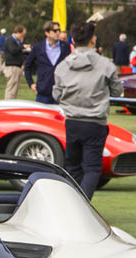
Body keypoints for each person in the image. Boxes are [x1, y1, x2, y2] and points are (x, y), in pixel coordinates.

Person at [52, 22, 122, 200]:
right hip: (95, 121)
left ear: (73, 40)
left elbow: (56, 94)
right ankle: (82, 206)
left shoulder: (63, 66)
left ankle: (76, 203)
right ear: (93, 39)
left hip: (73, 121)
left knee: (73, 166)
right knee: (92, 168)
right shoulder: (105, 65)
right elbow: (117, 90)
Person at [24, 21, 71, 104]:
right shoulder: (38, 47)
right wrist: (31, 83)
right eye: (55, 31)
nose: (58, 33)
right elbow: (27, 66)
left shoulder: (65, 47)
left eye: (59, 30)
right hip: (43, 92)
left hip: (61, 92)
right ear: (47, 33)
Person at [4, 25, 27, 99]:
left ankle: (12, 102)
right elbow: (13, 50)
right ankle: (8, 104)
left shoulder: (15, 41)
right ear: (17, 32)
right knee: (11, 88)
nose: (22, 37)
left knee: (14, 89)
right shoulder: (10, 40)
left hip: (16, 66)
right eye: (22, 35)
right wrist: (22, 46)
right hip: (12, 66)